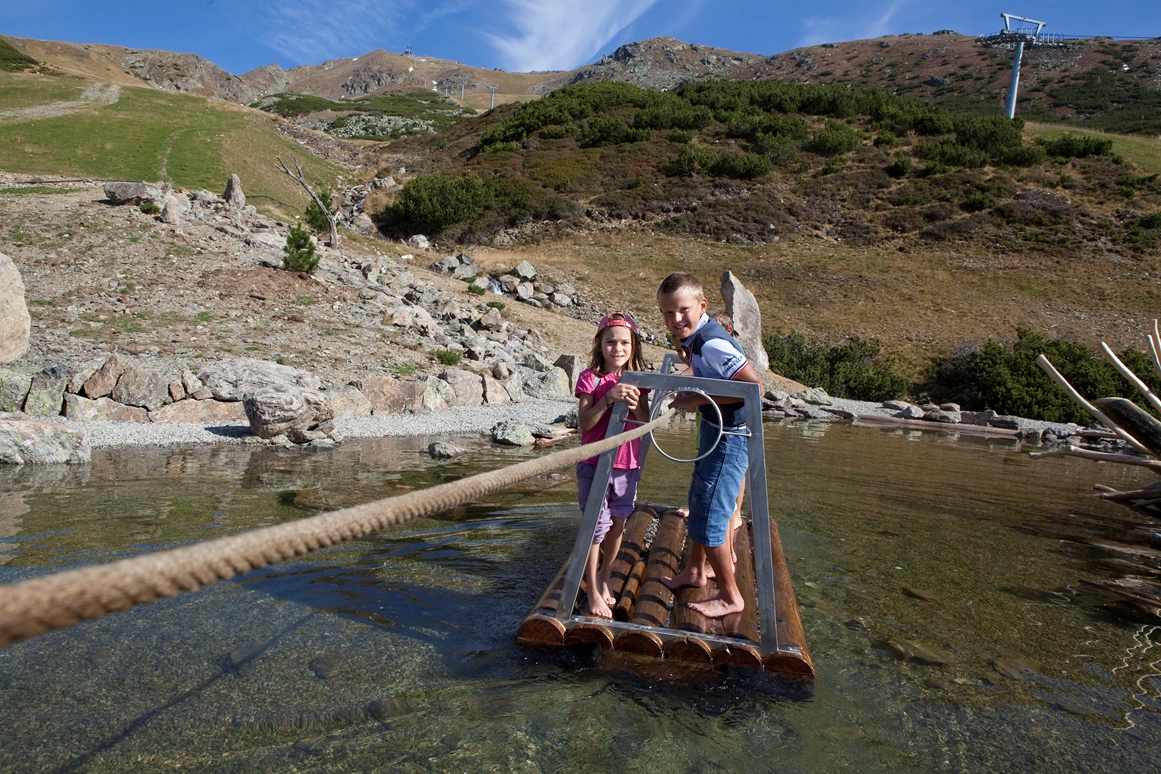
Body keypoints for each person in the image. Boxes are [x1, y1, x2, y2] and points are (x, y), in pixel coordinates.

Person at [657, 273, 763, 618]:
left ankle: (732, 597)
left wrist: (697, 399)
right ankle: (695, 571)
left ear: (702, 306)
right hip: (717, 428)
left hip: (730, 437)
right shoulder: (695, 338)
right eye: (667, 314)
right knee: (700, 498)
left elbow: (755, 390)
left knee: (713, 511)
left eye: (682, 311)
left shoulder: (712, 342)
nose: (675, 320)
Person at [574, 312, 650, 618]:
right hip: (594, 463)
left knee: (618, 522)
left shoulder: (640, 380)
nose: (616, 349)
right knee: (594, 528)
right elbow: (584, 423)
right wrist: (607, 400)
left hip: (626, 463)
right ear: (599, 344)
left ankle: (605, 576)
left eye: (623, 342)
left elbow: (645, 421)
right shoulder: (589, 378)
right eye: (610, 342)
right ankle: (592, 589)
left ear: (633, 346)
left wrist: (635, 403)